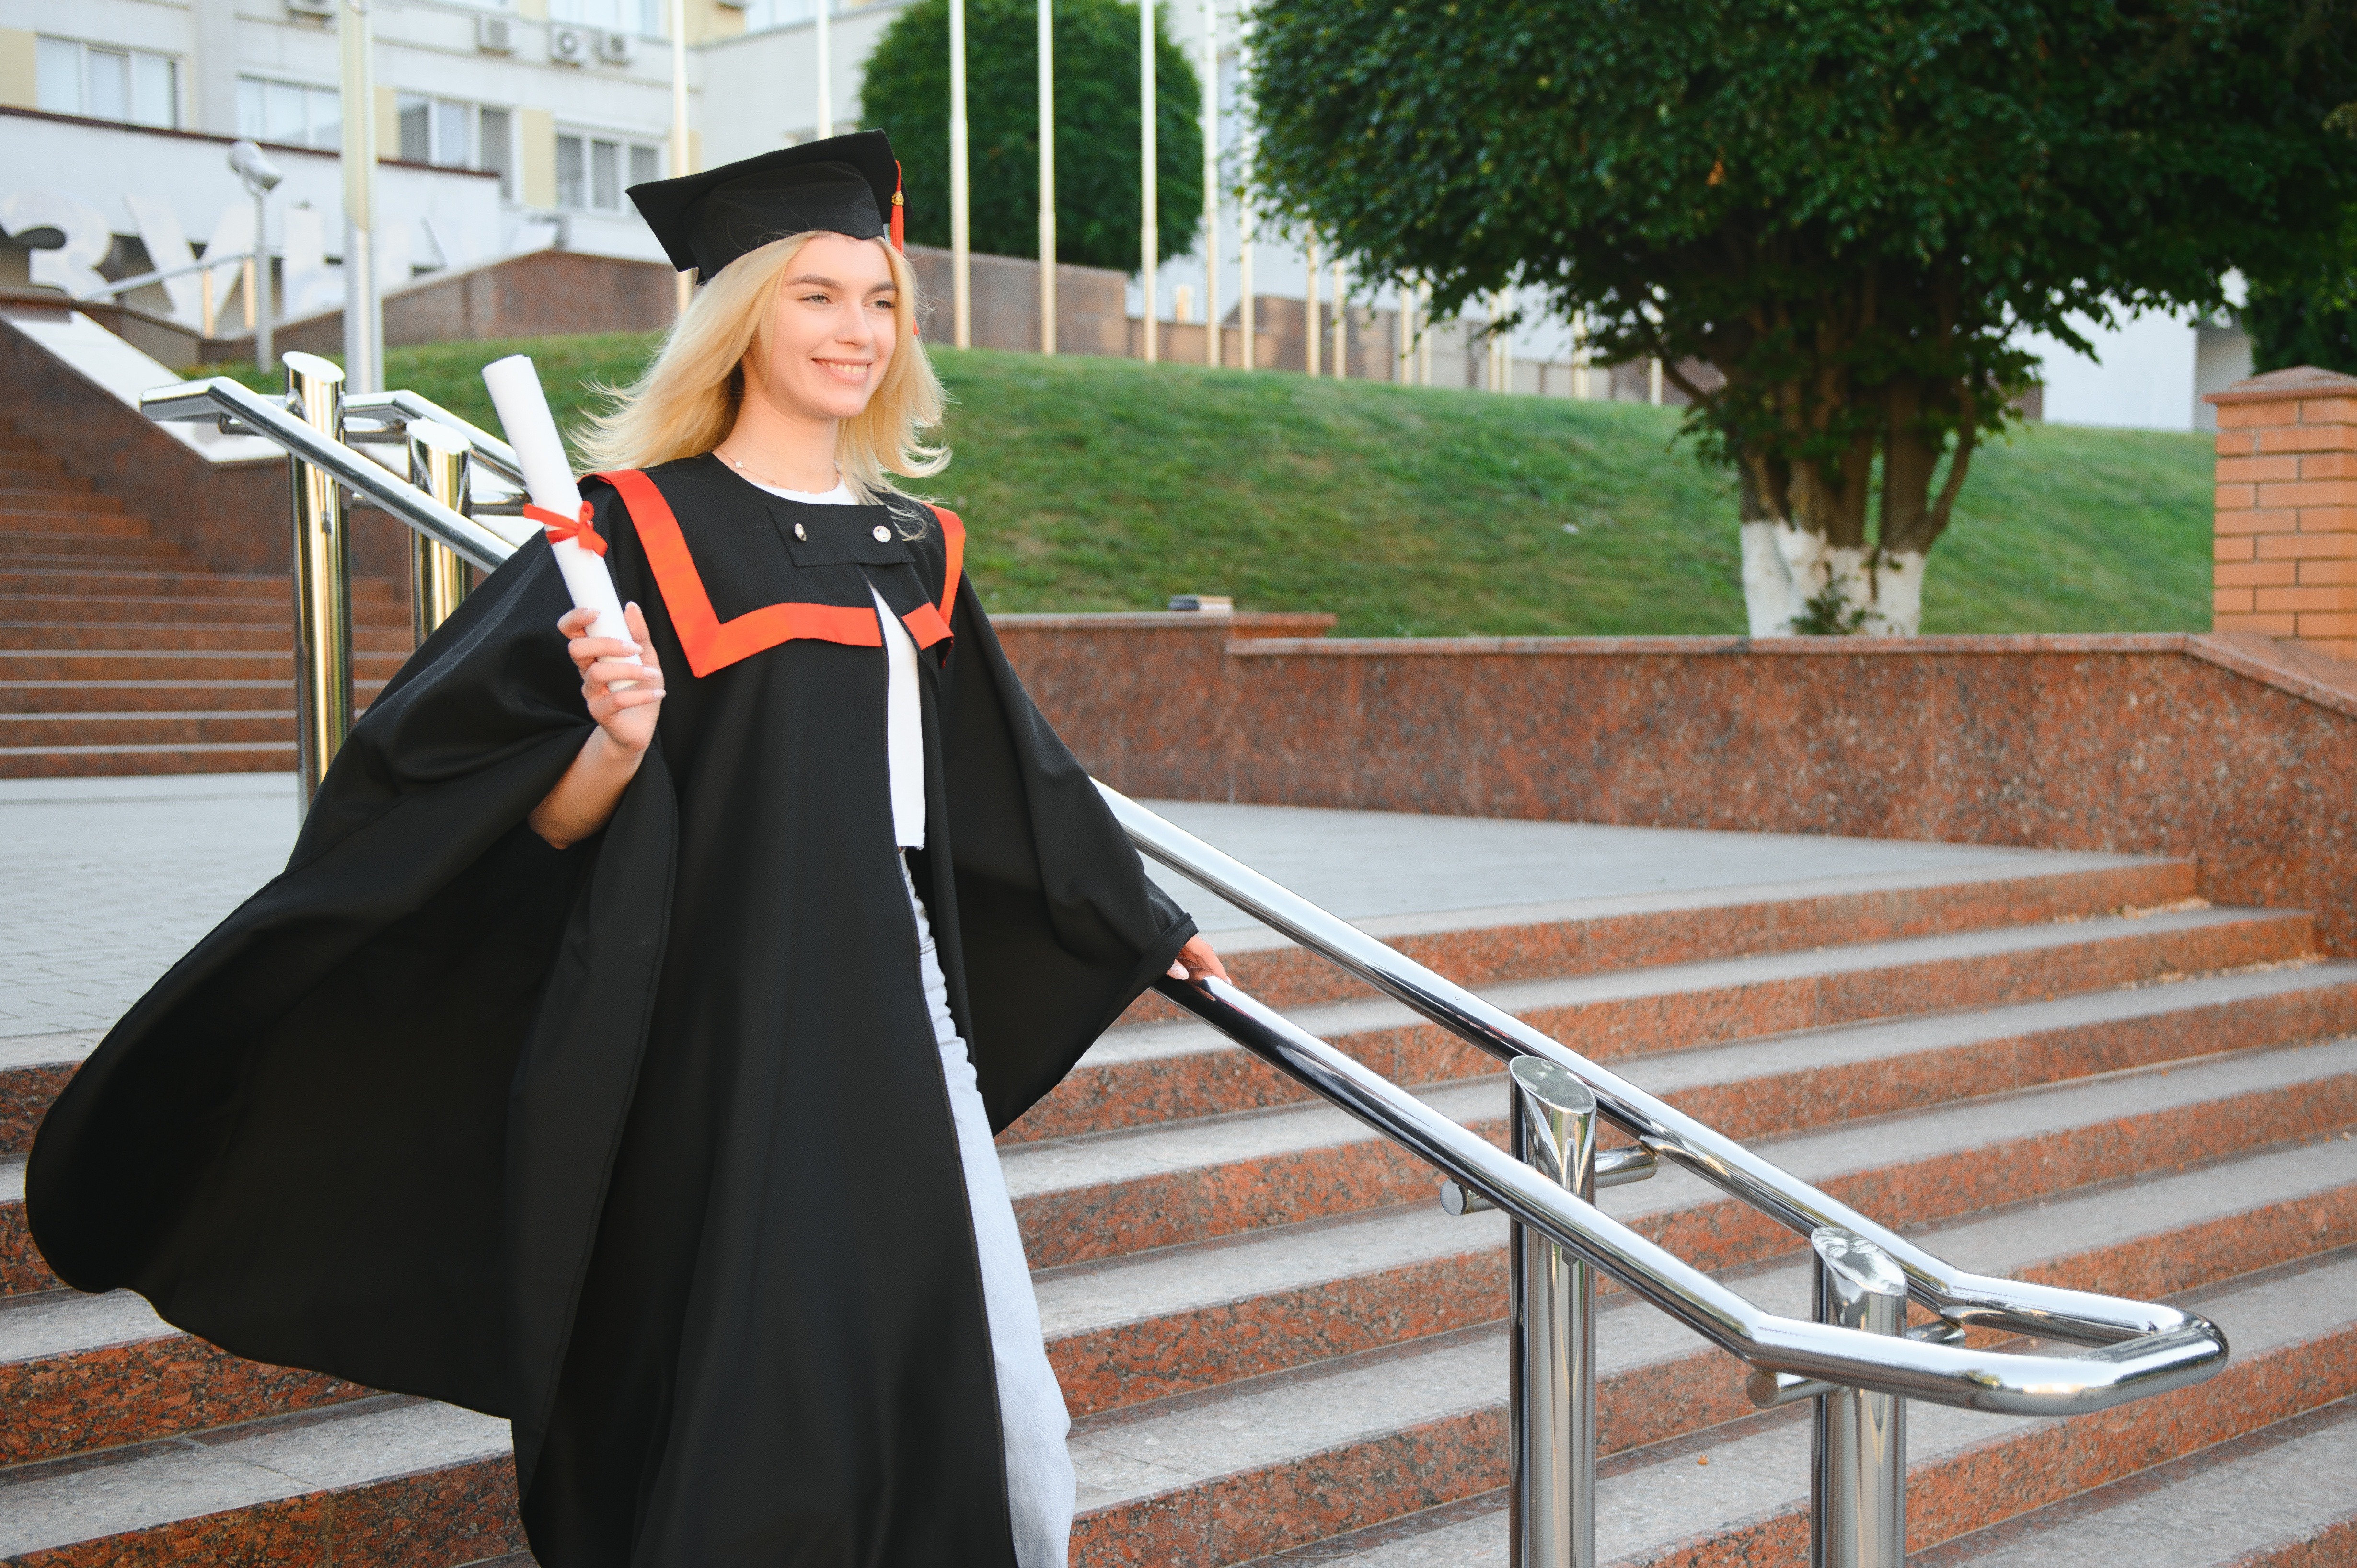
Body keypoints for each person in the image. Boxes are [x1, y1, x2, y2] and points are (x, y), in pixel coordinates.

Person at [27, 130, 1225, 1568]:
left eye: (879, 300)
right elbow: (468, 795)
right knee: (748, 1371)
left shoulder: (915, 544)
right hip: (715, 1021)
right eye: (817, 298)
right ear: (739, 316)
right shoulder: (632, 533)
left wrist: (1139, 919)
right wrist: (609, 738)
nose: (858, 331)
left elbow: (1002, 774)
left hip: (893, 1003)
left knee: (987, 1384)